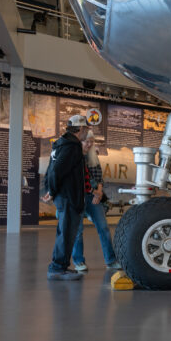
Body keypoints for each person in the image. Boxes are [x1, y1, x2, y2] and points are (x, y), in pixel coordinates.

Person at [43, 115, 91, 281]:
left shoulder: (60, 144)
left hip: (63, 196)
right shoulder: (72, 146)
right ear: (80, 129)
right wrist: (53, 190)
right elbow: (56, 170)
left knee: (64, 232)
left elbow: (51, 168)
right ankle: (57, 268)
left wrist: (50, 188)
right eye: (86, 129)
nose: (87, 132)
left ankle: (59, 266)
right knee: (67, 233)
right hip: (69, 197)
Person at [71, 130, 120, 271]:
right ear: (80, 141)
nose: (90, 144)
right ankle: (79, 261)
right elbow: (79, 179)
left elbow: (99, 176)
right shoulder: (74, 156)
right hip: (80, 196)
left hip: (94, 197)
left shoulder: (93, 156)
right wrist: (95, 191)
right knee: (78, 230)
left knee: (103, 227)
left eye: (92, 141)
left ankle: (110, 260)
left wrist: (98, 191)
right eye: (87, 141)